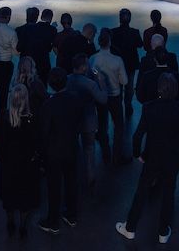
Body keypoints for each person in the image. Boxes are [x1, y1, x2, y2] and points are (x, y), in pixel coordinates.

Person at [115, 73, 179, 244]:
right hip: (172, 158)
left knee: (142, 191)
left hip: (153, 157)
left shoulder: (149, 107)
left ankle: (130, 228)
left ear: (159, 89)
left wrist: (138, 154)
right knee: (169, 193)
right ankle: (163, 232)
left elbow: (137, 135)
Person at [38, 68, 83, 234]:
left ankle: (53, 221)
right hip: (71, 147)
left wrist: (41, 152)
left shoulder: (48, 105)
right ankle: (71, 215)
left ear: (50, 84)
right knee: (71, 182)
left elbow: (44, 132)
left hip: (54, 152)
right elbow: (79, 122)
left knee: (54, 186)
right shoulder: (76, 99)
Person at [0, 84, 42, 238]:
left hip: (8, 164)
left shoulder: (2, 117)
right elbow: (37, 142)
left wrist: (1, 158)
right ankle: (23, 226)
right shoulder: (32, 120)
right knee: (25, 197)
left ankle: (10, 222)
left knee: (9, 196)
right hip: (27, 165)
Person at [66, 53, 107, 186]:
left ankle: (75, 176)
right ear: (83, 67)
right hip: (88, 120)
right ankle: (90, 177)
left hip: (72, 120)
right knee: (89, 149)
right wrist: (101, 80)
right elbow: (103, 99)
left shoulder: (66, 80)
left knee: (74, 148)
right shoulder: (90, 84)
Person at [89, 29, 129, 164]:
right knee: (119, 126)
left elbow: (91, 77)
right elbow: (124, 81)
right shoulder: (117, 60)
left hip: (100, 96)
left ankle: (105, 154)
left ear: (99, 42)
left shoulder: (93, 59)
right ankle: (117, 156)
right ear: (110, 42)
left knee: (102, 125)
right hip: (115, 96)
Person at [110, 8, 143, 116]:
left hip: (117, 66)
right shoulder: (135, 32)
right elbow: (140, 44)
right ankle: (128, 106)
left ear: (120, 19)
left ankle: (119, 108)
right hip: (130, 65)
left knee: (118, 88)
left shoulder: (113, 32)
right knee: (129, 88)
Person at [15, 6, 54, 83]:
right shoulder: (45, 29)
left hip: (26, 65)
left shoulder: (19, 30)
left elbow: (18, 48)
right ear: (37, 17)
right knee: (42, 86)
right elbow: (49, 47)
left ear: (27, 16)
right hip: (42, 65)